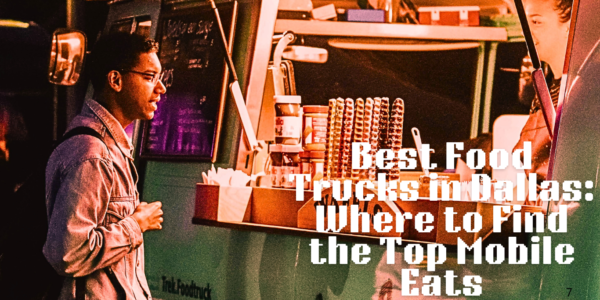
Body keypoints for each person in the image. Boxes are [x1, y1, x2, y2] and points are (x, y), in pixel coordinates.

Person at [44, 33, 166, 299]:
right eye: (149, 77)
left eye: (160, 78)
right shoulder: (93, 155)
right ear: (115, 80)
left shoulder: (108, 148)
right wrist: (136, 224)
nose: (160, 89)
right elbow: (69, 253)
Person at [513, 0, 572, 186]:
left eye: (536, 22)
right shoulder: (546, 92)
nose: (526, 33)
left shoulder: (584, 93)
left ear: (569, 27)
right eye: (526, 23)